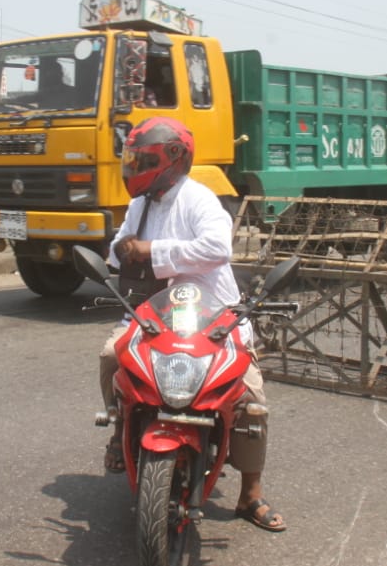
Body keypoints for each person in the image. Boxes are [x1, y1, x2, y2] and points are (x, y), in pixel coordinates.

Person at [98, 116, 286, 532]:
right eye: (133, 159)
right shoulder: (139, 205)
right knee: (111, 356)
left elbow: (217, 249)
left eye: (144, 160)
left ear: (175, 158)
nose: (135, 167)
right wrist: (124, 247)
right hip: (154, 312)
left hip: (212, 313)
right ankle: (119, 428)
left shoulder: (200, 199)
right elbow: (116, 250)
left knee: (251, 397)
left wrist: (149, 249)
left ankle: (250, 495)